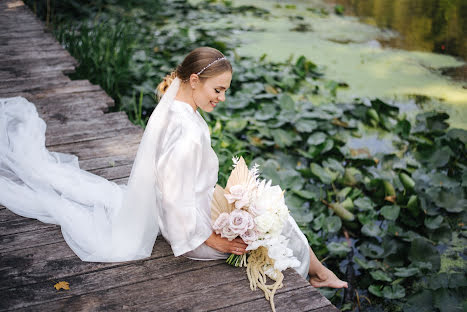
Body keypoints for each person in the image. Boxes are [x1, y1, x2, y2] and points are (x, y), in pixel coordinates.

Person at [0, 46, 346, 289]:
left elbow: (180, 189)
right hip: (192, 233)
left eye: (225, 90)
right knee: (276, 226)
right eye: (218, 89)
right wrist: (215, 240)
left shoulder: (179, 109)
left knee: (275, 216)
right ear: (194, 79)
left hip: (196, 213)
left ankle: (318, 272)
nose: (221, 98)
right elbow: (172, 200)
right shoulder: (187, 134)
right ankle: (317, 274)